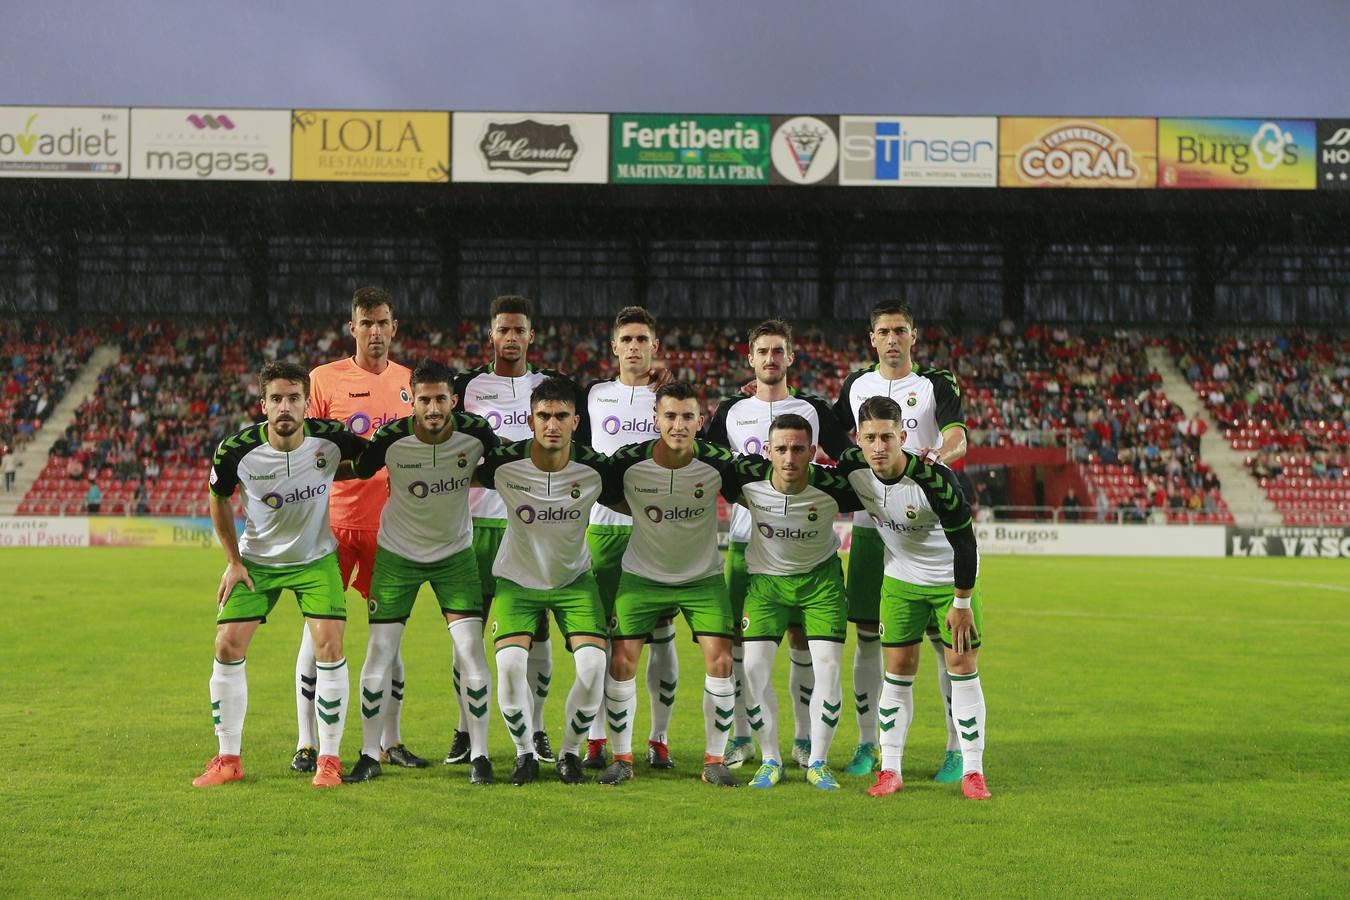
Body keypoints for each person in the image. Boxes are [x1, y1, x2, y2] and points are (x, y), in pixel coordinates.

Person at [192, 362, 366, 788]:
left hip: (315, 559)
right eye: (276, 399)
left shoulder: (331, 439)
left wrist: (339, 472)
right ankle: (228, 758)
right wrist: (234, 561)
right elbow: (217, 498)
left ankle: (328, 758)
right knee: (227, 644)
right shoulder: (237, 450)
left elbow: (368, 459)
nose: (284, 406)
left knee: (329, 646)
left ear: (307, 402)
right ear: (263, 404)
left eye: (293, 398)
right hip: (259, 563)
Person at [342, 361, 501, 786]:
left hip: (455, 556)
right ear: (411, 398)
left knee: (470, 651)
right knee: (380, 652)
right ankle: (368, 754)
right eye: (424, 399)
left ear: (453, 398)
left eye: (440, 399)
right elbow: (355, 469)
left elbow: (502, 466)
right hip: (397, 556)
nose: (433, 407)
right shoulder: (390, 437)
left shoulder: (477, 432)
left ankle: (481, 756)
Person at [702, 320, 849, 771]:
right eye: (762, 351)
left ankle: (805, 738)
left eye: (777, 351)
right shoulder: (730, 411)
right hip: (748, 548)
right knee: (743, 651)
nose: (770, 359)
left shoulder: (814, 410)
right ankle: (743, 738)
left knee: (805, 644)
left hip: (804, 549)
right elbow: (703, 463)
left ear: (790, 358)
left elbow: (849, 462)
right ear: (750, 359)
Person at [833, 300, 969, 783]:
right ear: (872, 339)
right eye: (884, 331)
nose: (892, 339)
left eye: (900, 330)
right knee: (870, 640)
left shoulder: (936, 382)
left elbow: (958, 436)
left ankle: (956, 749)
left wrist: (939, 455)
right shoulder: (856, 386)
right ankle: (870, 744)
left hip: (929, 526)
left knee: (943, 643)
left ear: (914, 335)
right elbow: (827, 435)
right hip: (875, 528)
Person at [292, 287, 422, 775]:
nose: (374, 331)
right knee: (317, 634)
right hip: (333, 527)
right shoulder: (324, 381)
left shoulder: (411, 383)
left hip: (390, 529)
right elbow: (305, 452)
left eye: (382, 322)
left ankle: (391, 741)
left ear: (393, 327)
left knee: (390, 639)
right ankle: (307, 742)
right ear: (353, 328)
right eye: (365, 323)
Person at [448, 295, 581, 767]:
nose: (510, 337)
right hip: (473, 524)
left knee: (537, 630)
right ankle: (465, 729)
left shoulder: (551, 387)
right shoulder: (465, 386)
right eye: (502, 329)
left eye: (518, 330)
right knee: (469, 631)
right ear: (492, 335)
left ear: (530, 335)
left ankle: (538, 727)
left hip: (531, 526)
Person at [835, 396, 989, 800]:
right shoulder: (854, 469)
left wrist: (961, 604)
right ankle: (890, 769)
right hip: (900, 581)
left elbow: (966, 545)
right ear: (859, 440)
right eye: (870, 438)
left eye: (888, 436)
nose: (879, 446)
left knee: (961, 667)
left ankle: (973, 770)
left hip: (949, 582)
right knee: (897, 672)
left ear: (903, 436)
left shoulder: (936, 479)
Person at [595, 381, 744, 788]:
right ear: (655, 418)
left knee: (722, 663)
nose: (678, 425)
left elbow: (753, 492)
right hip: (642, 576)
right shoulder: (629, 461)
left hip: (702, 579)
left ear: (700, 420)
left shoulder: (719, 462)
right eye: (670, 416)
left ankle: (714, 759)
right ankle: (622, 758)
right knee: (622, 662)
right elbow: (606, 494)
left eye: (687, 417)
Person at [473, 376, 618, 785]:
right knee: (510, 666)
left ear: (576, 420)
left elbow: (638, 495)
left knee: (593, 667)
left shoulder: (594, 469)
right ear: (531, 420)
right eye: (543, 416)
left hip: (574, 581)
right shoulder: (504, 464)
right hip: (517, 581)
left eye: (560, 416)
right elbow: (453, 475)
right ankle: (524, 754)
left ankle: (570, 752)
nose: (551, 424)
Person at [723, 413, 862, 791]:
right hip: (766, 586)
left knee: (830, 669)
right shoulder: (746, 480)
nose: (789, 458)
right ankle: (770, 760)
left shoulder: (835, 485)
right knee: (752, 669)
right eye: (781, 448)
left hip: (821, 584)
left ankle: (817, 761)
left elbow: (881, 484)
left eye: (798, 449)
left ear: (813, 451)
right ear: (767, 450)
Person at [580, 307, 680, 772]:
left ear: (654, 346)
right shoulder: (595, 396)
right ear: (615, 347)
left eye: (644, 339)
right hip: (604, 531)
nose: (636, 347)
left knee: (662, 637)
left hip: (659, 532)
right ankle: (597, 736)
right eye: (628, 339)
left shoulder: (670, 398)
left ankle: (658, 738)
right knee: (602, 639)